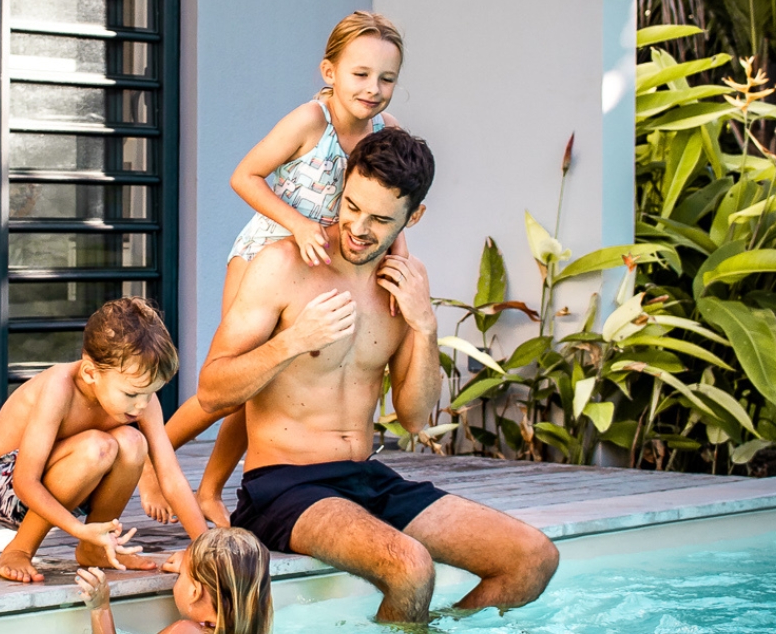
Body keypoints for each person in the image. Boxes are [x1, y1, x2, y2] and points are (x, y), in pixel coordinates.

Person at [197, 128, 560, 624]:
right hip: (282, 488)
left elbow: (413, 416)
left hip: (365, 479)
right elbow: (212, 390)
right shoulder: (282, 267)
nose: (358, 228)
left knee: (532, 557)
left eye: (380, 218)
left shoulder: (406, 283)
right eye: (352, 207)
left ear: (414, 217)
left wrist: (424, 324)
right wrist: (293, 342)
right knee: (410, 566)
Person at [137, 10, 408, 527]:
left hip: (322, 265)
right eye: (360, 74)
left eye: (387, 78)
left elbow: (392, 205)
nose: (373, 89)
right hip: (269, 252)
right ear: (329, 72)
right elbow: (245, 176)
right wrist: (298, 224)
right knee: (232, 378)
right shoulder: (312, 121)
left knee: (264, 388)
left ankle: (212, 489)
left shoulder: (384, 132)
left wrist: (401, 264)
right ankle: (156, 457)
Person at [0, 297, 209, 583]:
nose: (141, 405)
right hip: (6, 486)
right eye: (132, 394)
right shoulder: (59, 388)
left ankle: (93, 547)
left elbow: (171, 477)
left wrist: (206, 546)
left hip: (75, 481)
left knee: (132, 441)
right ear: (90, 373)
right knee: (98, 446)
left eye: (151, 393)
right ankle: (19, 549)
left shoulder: (141, 400)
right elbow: (25, 481)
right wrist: (77, 528)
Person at [76, 527, 272, 634]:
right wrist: (190, 564)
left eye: (182, 576)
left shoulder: (186, 632)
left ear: (195, 592)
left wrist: (100, 608)